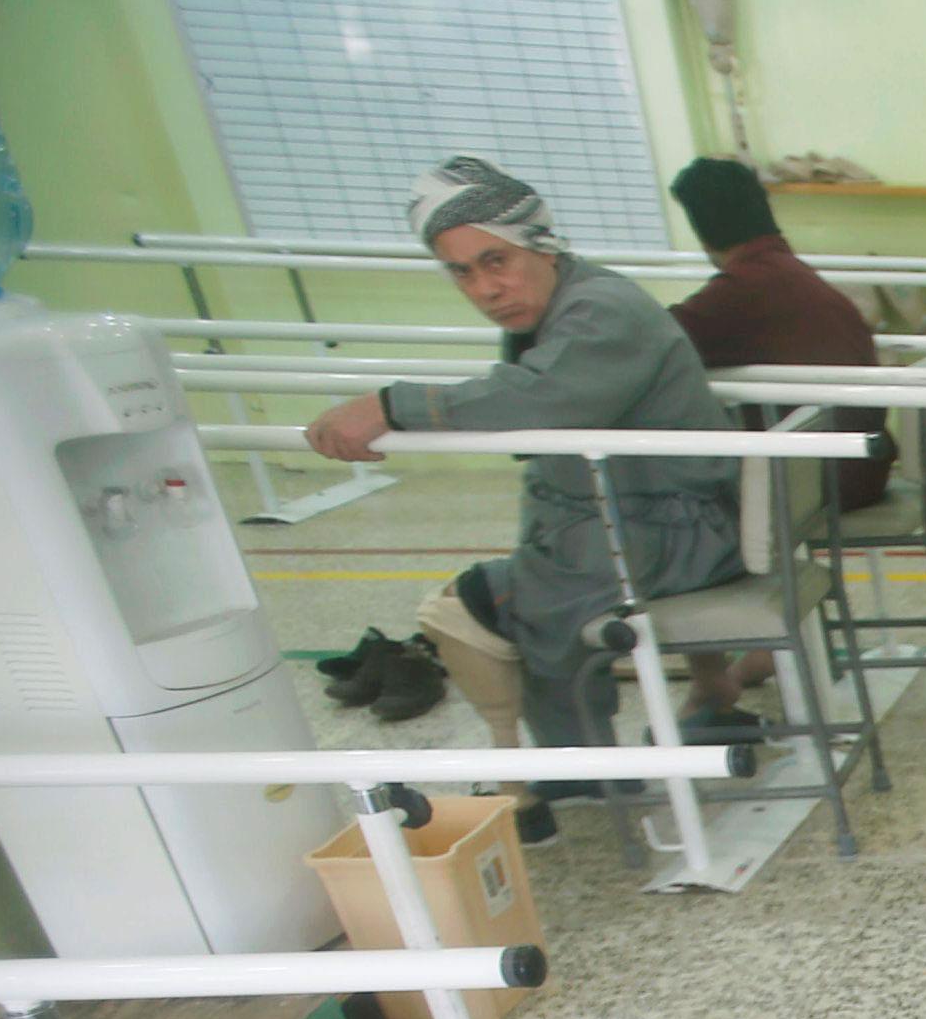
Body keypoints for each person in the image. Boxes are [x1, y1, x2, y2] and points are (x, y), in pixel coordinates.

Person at [304, 155, 744, 847]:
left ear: (541, 244)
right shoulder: (567, 305)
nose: (485, 287)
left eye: (496, 261)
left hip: (672, 533)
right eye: (463, 272)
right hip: (625, 522)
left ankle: (570, 770)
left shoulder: (601, 310)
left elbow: (540, 396)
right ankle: (566, 763)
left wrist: (391, 405)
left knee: (487, 603)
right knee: (512, 592)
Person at [666, 157, 896, 513]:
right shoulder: (788, 271)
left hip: (821, 481)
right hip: (860, 468)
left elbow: (654, 342)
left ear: (702, 230)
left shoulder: (742, 288)